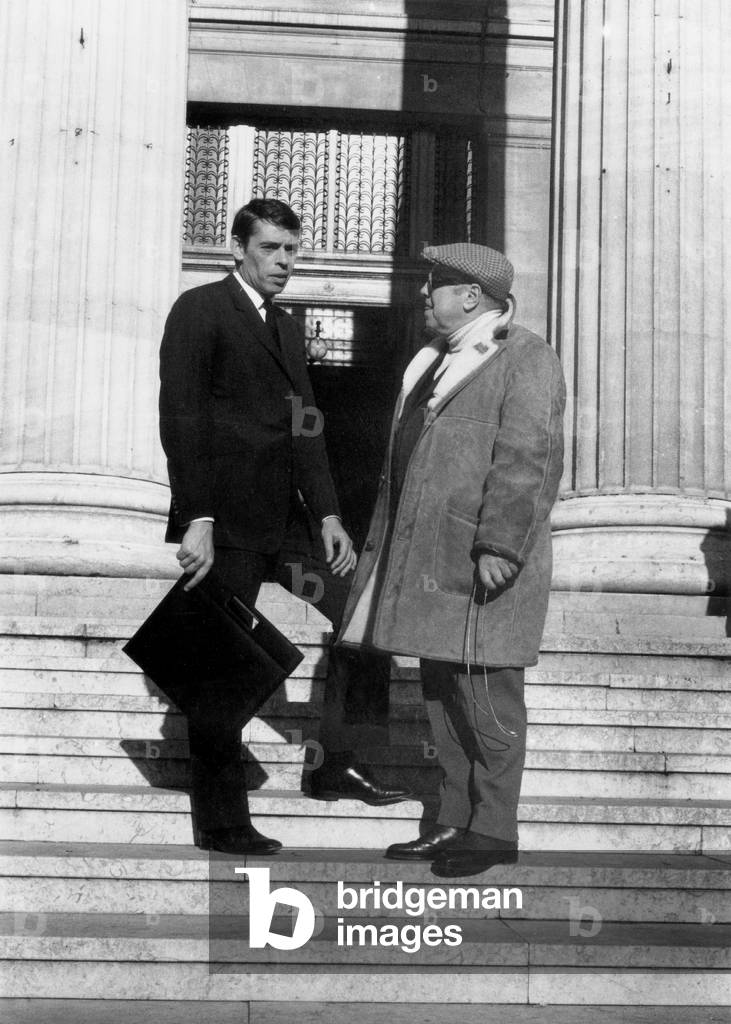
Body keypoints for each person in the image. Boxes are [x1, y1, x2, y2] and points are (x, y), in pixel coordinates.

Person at [159, 198, 409, 856]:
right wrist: (198, 517)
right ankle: (221, 822)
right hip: (226, 523)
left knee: (364, 612)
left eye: (292, 251)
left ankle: (338, 764)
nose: (284, 263)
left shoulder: (288, 326)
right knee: (220, 666)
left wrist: (328, 513)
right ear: (237, 249)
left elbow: (307, 427)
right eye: (271, 249)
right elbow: (181, 419)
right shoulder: (200, 310)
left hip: (290, 525)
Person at [338, 243, 565, 877]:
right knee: (443, 694)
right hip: (428, 560)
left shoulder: (526, 357)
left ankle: (492, 830)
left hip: (481, 560)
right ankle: (450, 820)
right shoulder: (430, 361)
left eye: (434, 284)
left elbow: (530, 458)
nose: (423, 294)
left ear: (471, 296)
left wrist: (500, 544)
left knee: (486, 693)